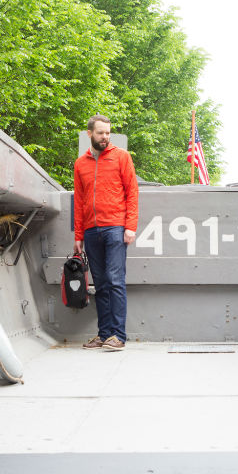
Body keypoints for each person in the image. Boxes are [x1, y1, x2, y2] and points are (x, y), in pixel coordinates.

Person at [73, 114, 139, 351]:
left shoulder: (122, 157)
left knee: (115, 281)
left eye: (108, 133)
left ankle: (118, 336)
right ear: (90, 134)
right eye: (100, 133)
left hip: (115, 228)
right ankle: (104, 334)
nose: (105, 137)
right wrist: (78, 236)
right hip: (91, 231)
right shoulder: (80, 164)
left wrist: (130, 226)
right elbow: (79, 202)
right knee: (100, 283)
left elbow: (132, 192)